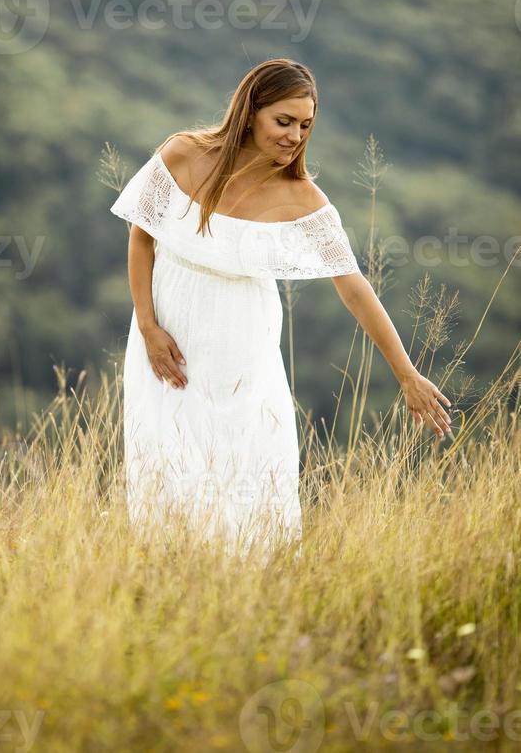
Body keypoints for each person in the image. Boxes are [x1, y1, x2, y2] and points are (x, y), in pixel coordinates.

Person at [109, 58, 453, 556]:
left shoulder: (303, 199)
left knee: (247, 467)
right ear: (252, 112)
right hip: (168, 336)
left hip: (244, 343)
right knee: (167, 464)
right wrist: (147, 325)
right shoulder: (183, 153)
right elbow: (142, 237)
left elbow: (353, 286)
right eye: (284, 121)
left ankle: (248, 588)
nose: (294, 135)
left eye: (306, 125)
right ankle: (168, 579)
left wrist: (406, 374)